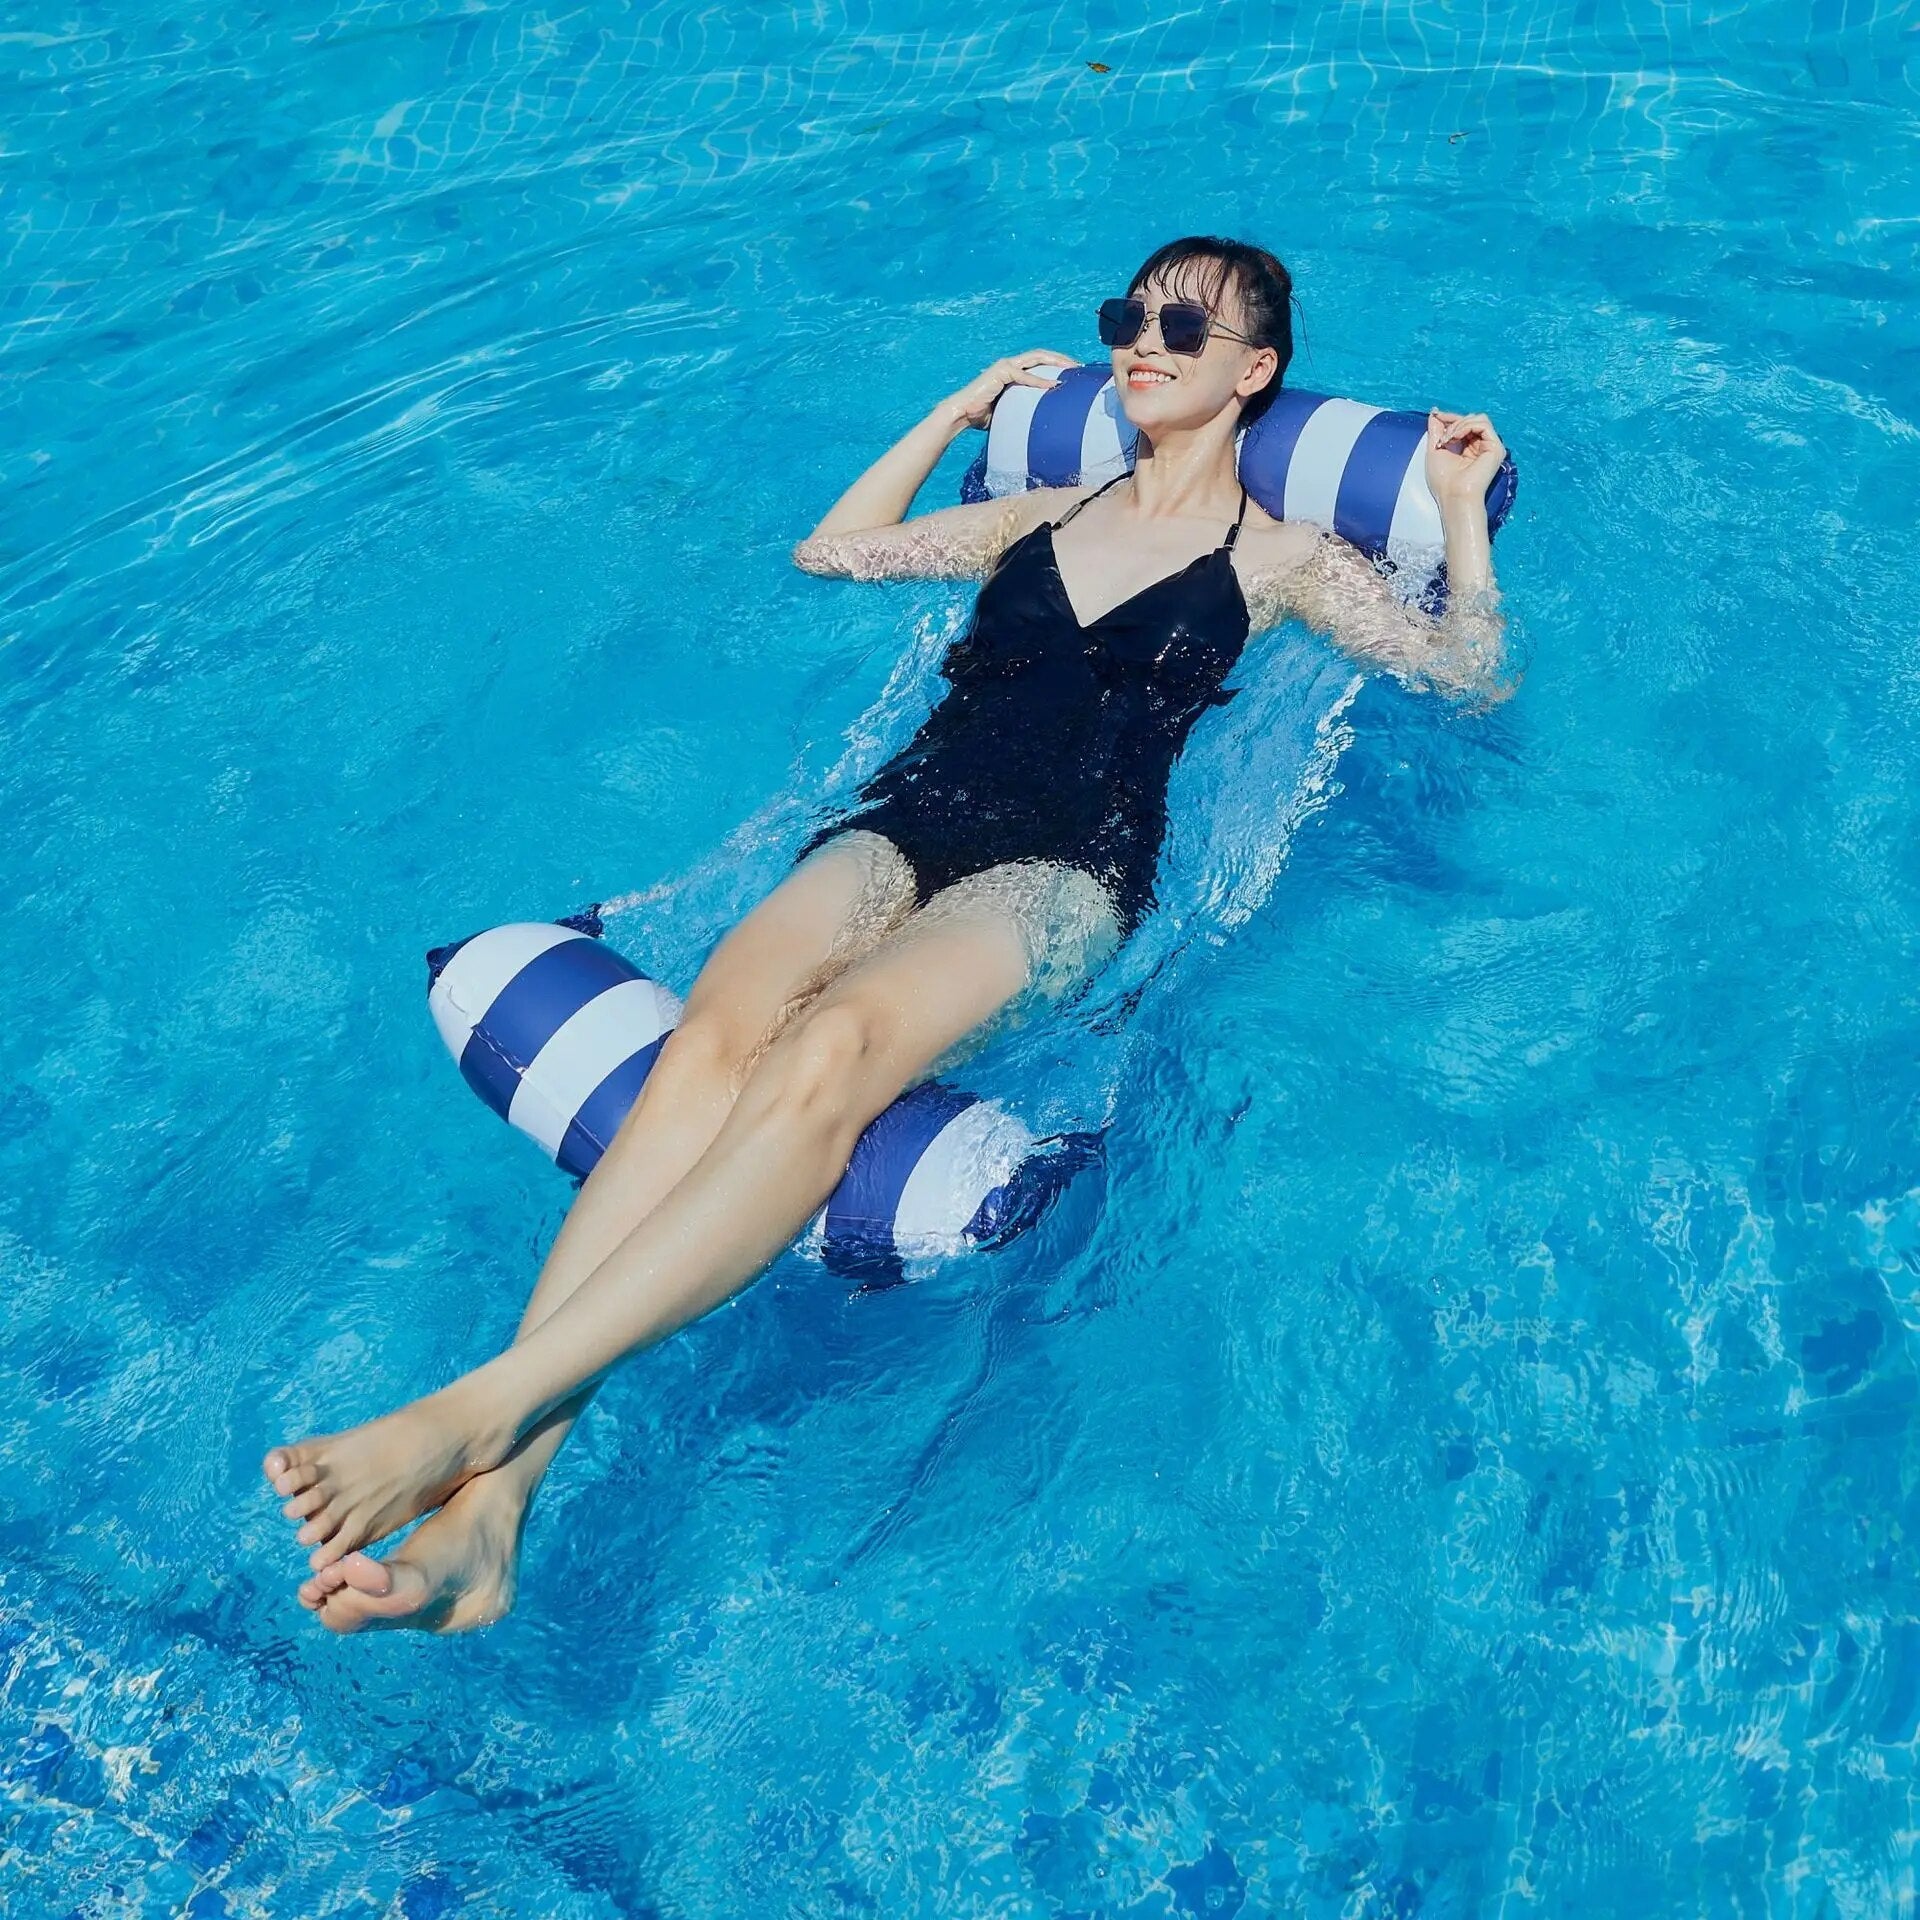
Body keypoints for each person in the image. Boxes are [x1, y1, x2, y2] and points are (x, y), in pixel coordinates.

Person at [265, 235, 1513, 1632]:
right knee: (714, 1039)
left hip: (1064, 869)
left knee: (836, 1046)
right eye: (1126, 316)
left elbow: (1466, 678)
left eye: (1181, 326)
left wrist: (1460, 514)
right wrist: (950, 415)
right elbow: (835, 552)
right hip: (907, 818)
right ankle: (492, 1519)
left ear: (1257, 370)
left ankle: (476, 1415)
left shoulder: (1282, 558)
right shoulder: (1044, 510)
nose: (1139, 343)